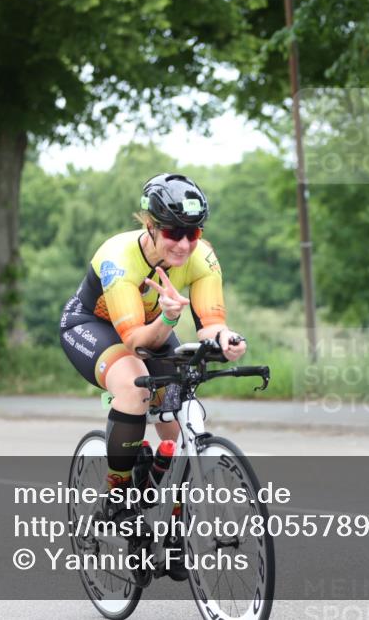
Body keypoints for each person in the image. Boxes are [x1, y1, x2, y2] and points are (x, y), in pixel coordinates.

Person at [59, 173, 247, 497]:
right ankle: (117, 492)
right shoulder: (118, 258)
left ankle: (169, 504)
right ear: (150, 225)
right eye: (174, 233)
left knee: (176, 419)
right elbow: (136, 342)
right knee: (136, 389)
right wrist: (169, 316)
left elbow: (211, 321)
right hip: (92, 326)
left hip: (154, 324)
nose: (185, 244)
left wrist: (225, 340)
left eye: (193, 233)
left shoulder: (202, 256)